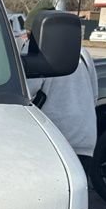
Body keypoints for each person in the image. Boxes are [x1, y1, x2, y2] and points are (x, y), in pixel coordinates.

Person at [26, 45, 98, 175]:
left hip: (53, 143)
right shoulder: (82, 53)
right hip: (85, 139)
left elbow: (23, 97)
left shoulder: (36, 49)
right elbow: (94, 94)